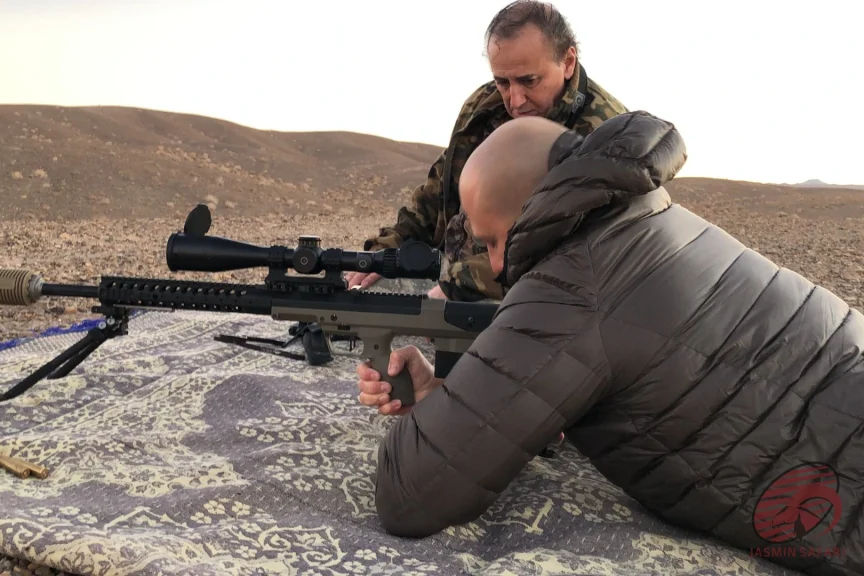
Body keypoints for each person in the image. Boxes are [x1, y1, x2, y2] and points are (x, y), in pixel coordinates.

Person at [355, 111, 863, 576]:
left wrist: (427, 421)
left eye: (493, 240)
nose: (490, 265)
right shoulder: (644, 213)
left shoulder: (572, 285)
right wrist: (444, 391)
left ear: (533, 208)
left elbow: (410, 495)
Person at [346, 0, 627, 302]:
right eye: (502, 81)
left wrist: (460, 286)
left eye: (529, 81)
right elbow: (441, 193)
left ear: (568, 62)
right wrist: (389, 249)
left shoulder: (604, 136)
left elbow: (579, 256)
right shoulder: (484, 107)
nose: (515, 100)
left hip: (537, 310)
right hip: (455, 291)